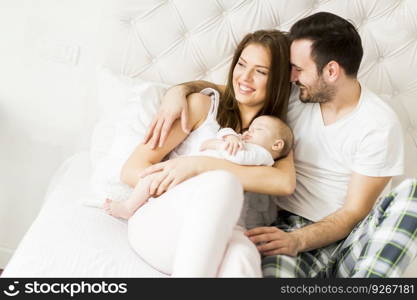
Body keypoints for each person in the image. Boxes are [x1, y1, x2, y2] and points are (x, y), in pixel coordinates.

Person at [143, 12, 417, 278]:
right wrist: (178, 91)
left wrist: (299, 240)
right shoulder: (295, 95)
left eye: (298, 69)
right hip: (289, 228)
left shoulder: (378, 124)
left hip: (353, 237)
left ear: (331, 71)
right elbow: (237, 88)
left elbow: (354, 212)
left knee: (413, 194)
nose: (292, 76)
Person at [119, 29, 296, 277]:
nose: (245, 77)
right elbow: (132, 169)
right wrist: (180, 181)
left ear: (278, 80)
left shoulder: (274, 136)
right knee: (223, 182)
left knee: (244, 255)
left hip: (222, 233)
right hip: (161, 223)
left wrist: (200, 164)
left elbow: (284, 182)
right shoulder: (203, 106)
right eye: (241, 65)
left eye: (261, 71)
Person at [104, 115, 293, 231]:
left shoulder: (262, 155)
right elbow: (225, 133)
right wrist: (230, 136)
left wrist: (219, 144)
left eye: (257, 130)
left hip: (201, 184)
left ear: (276, 145)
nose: (248, 133)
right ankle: (136, 205)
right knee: (151, 179)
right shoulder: (243, 143)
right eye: (248, 129)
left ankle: (130, 207)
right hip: (191, 179)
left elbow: (238, 158)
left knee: (155, 181)